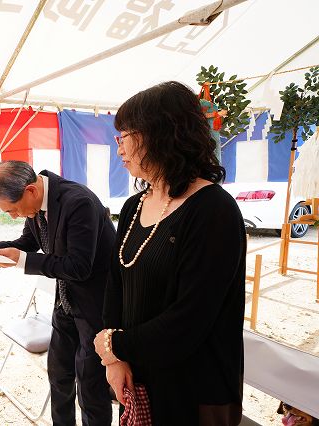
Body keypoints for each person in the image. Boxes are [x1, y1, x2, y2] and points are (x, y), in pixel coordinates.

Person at [94, 81, 245, 425]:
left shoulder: (212, 210)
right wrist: (114, 359)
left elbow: (191, 318)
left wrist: (115, 345)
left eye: (125, 136)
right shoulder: (134, 205)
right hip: (138, 374)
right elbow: (116, 281)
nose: (119, 149)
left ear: (161, 134)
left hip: (193, 387)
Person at [0, 161, 116, 425]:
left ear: (30, 191)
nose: (13, 216)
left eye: (12, 210)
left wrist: (23, 261)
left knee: (91, 386)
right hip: (65, 301)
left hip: (95, 305)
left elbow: (79, 267)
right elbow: (28, 242)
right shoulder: (37, 205)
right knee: (59, 376)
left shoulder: (78, 202)